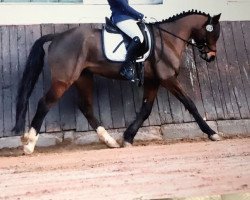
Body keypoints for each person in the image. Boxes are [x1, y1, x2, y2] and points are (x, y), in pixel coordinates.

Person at [107, 0, 149, 82]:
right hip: (120, 18)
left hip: (127, 18)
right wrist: (140, 16)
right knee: (138, 37)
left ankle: (137, 64)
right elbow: (124, 7)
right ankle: (126, 67)